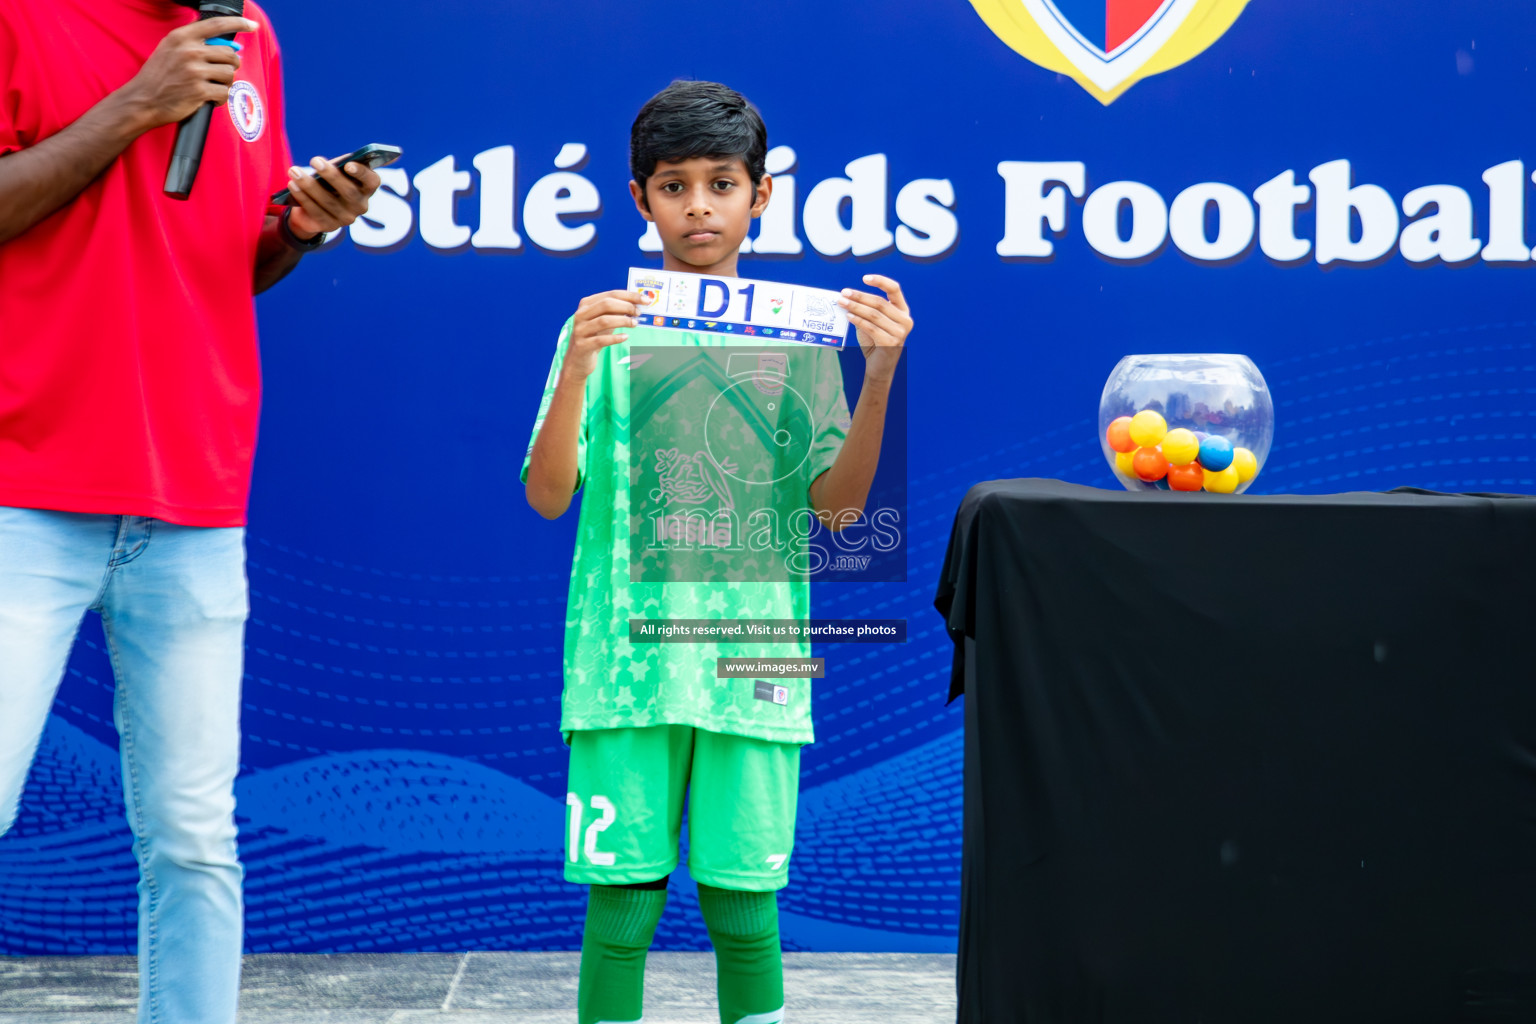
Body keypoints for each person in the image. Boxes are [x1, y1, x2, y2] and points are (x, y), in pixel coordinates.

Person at [0, 2, 381, 1022]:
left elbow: (231, 258)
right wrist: (136, 106)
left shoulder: (248, 31)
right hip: (22, 491)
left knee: (194, 836)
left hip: (194, 496)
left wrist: (299, 226)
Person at [523, 80, 913, 1024]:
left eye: (721, 183)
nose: (699, 205)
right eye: (674, 185)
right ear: (639, 200)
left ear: (760, 195)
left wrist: (881, 373)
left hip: (754, 658)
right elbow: (545, 496)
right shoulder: (600, 332)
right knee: (621, 907)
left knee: (746, 909)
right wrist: (577, 366)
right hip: (626, 665)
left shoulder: (806, 340)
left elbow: (840, 509)